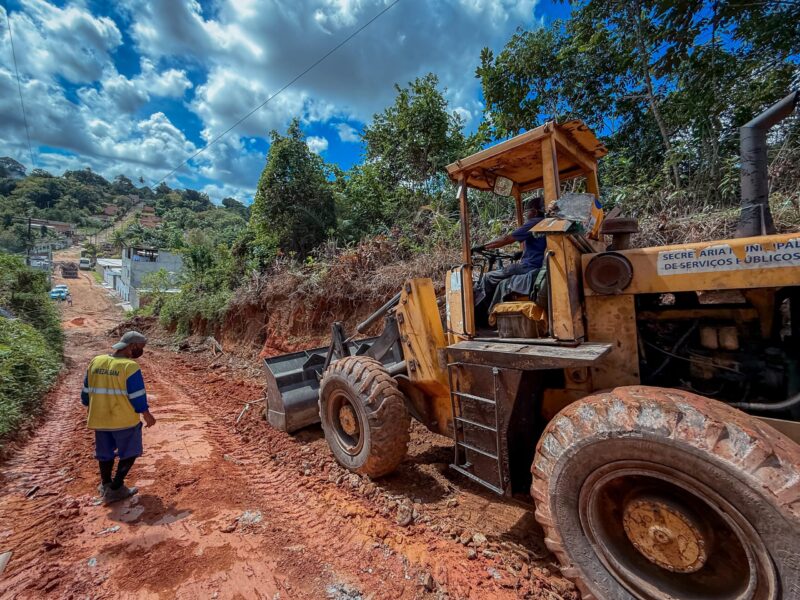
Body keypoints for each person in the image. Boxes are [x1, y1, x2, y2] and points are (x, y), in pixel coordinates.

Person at [81, 331, 156, 503]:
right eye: (140, 347)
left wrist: (91, 405)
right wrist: (147, 415)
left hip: (99, 419)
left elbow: (85, 393)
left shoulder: (96, 361)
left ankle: (105, 484)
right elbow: (137, 395)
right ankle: (116, 488)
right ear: (132, 346)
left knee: (104, 453)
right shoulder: (130, 367)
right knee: (130, 452)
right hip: (124, 420)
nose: (141, 351)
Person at [474, 197, 547, 309]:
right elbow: (541, 246)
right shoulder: (546, 223)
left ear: (535, 211)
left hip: (529, 266)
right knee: (503, 274)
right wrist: (521, 253)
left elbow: (507, 239)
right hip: (537, 264)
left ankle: (483, 312)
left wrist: (483, 247)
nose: (526, 215)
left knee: (488, 277)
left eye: (527, 212)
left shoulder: (534, 222)